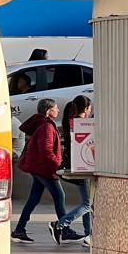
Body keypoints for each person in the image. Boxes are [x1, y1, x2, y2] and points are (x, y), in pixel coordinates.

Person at [13, 98, 65, 243]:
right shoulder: (46, 127)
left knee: (34, 199)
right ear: (49, 110)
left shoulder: (42, 124)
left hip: (37, 167)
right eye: (56, 108)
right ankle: (65, 229)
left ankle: (19, 229)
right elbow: (46, 150)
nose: (58, 110)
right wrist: (57, 164)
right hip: (44, 169)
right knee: (60, 197)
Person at [49, 95, 94, 244]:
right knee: (88, 204)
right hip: (85, 166)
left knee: (88, 203)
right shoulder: (85, 124)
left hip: (77, 165)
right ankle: (59, 224)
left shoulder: (70, 122)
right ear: (87, 108)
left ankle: (89, 235)